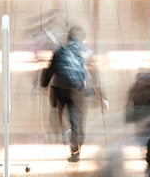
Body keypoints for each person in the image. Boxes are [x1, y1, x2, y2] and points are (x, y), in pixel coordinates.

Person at [41, 25, 104, 162]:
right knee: (76, 118)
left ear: (68, 38)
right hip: (77, 90)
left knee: (58, 112)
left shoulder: (60, 50)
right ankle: (75, 148)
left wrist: (44, 85)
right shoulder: (85, 52)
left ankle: (61, 132)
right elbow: (94, 75)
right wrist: (100, 96)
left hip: (59, 89)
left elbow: (49, 69)